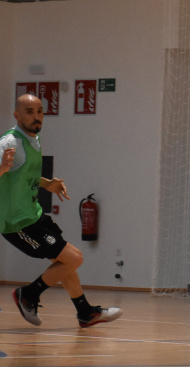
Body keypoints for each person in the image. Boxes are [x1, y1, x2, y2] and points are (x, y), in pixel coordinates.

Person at [0, 94, 123, 328]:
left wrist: (47, 184)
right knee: (74, 258)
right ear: (17, 115)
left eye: (39, 111)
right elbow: (5, 172)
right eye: (29, 111)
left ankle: (85, 313)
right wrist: (2, 167)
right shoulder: (9, 143)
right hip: (16, 223)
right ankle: (28, 294)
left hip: (33, 214)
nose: (36, 116)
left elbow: (23, 176)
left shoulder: (33, 138)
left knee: (64, 261)